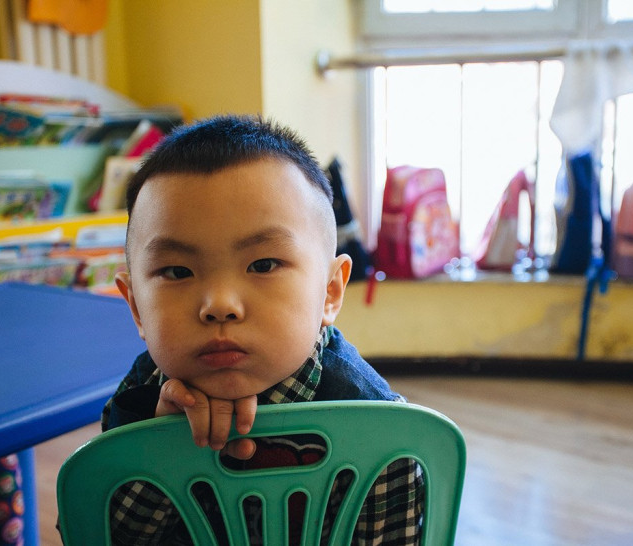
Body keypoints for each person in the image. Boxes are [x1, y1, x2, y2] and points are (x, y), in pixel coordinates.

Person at [101, 114, 423, 545]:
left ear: (330, 292)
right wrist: (158, 449)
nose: (220, 305)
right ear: (137, 307)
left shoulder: (380, 432)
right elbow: (95, 531)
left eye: (264, 264)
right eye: (177, 271)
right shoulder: (140, 396)